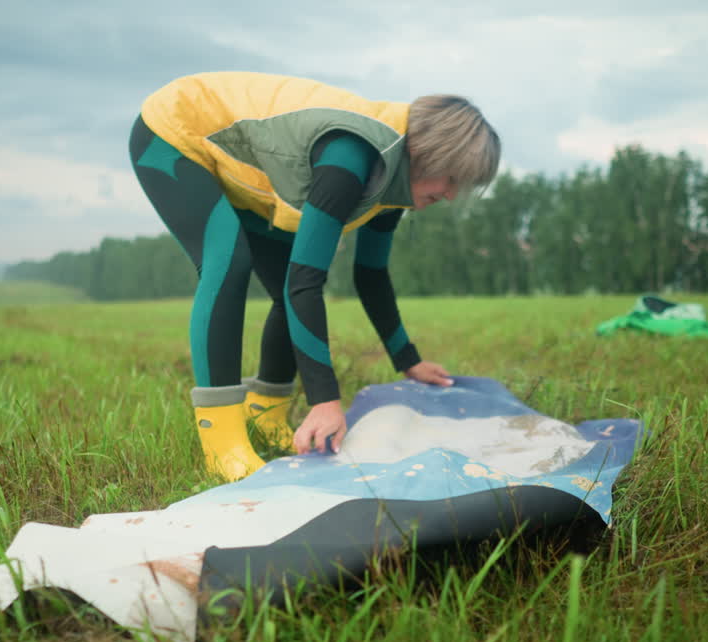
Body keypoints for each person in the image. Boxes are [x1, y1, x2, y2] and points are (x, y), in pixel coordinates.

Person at [129, 71, 501, 481]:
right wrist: (325, 401)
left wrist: (407, 360)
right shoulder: (352, 158)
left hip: (248, 176)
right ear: (429, 150)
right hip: (176, 132)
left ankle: (264, 412)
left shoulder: (394, 183)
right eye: (452, 178)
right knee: (229, 264)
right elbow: (303, 283)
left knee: (284, 289)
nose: (450, 195)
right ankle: (222, 443)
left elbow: (371, 275)